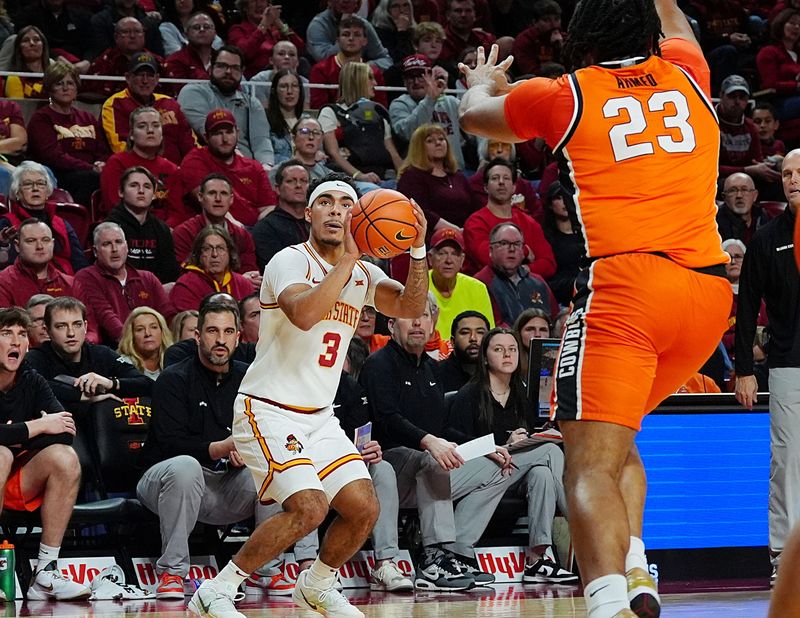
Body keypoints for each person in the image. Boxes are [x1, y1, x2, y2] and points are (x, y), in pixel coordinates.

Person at [457, 1, 732, 615]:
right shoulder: (689, 70)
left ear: (579, 40)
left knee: (584, 461)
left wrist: (483, 82)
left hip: (629, 289)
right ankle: (635, 571)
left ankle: (605, 605)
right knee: (616, 442)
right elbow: (681, 23)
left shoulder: (565, 93)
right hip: (708, 293)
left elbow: (476, 118)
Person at [188, 172, 429, 618]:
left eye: (346, 203)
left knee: (363, 507)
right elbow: (303, 315)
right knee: (310, 508)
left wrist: (416, 249)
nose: (337, 210)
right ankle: (216, 591)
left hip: (318, 417)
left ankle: (316, 585)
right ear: (309, 212)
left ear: (356, 214)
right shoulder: (289, 261)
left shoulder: (363, 273)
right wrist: (349, 261)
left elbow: (413, 307)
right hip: (268, 409)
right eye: (328, 202)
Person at [360, 294, 510, 590]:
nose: (418, 322)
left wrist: (485, 447)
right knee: (432, 459)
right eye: (409, 316)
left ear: (433, 325)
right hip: (382, 464)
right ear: (391, 325)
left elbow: (443, 428)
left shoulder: (430, 370)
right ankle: (432, 558)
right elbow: (387, 418)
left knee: (500, 468)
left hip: (424, 470)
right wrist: (428, 441)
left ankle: (456, 553)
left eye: (425, 316)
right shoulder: (378, 364)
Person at [136, 299, 273, 599]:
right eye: (212, 331)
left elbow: (261, 432)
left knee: (272, 469)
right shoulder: (173, 378)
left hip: (221, 485)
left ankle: (265, 569)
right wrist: (222, 447)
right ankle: (172, 573)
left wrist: (245, 453)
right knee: (186, 466)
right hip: (162, 482)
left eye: (227, 332)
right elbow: (170, 443)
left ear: (239, 336)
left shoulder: (250, 380)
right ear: (197, 336)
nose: (220, 340)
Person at [449, 327, 577, 583]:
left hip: (516, 471)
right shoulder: (469, 395)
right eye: (498, 349)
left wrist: (529, 439)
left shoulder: (522, 394)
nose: (507, 355)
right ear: (485, 358)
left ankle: (537, 558)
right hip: (483, 470)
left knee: (541, 474)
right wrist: (502, 444)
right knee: (550, 450)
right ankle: (583, 527)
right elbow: (458, 444)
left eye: (513, 349)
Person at [735, 148, 800, 588]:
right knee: (787, 463)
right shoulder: (766, 238)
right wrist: (743, 368)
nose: (793, 179)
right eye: (788, 173)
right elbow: (746, 308)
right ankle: (784, 557)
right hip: (787, 365)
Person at [0, 307, 91, 601]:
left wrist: (16, 435)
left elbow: (65, 431)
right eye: (5, 334)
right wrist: (37, 426)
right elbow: (46, 425)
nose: (15, 342)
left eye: (21, 335)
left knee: (64, 457)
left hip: (14, 480)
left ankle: (45, 572)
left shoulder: (32, 379)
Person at [26, 296, 153, 419]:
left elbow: (147, 384)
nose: (71, 333)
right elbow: (29, 386)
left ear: (86, 327)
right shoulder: (36, 357)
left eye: (77, 324)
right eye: (61, 326)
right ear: (47, 331)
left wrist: (110, 383)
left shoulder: (102, 354)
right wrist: (82, 395)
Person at [166, 109, 278, 228]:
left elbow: (268, 207)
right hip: (214, 231)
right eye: (218, 133)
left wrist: (260, 230)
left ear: (237, 134)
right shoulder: (195, 160)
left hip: (255, 230)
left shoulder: (254, 166)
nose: (225, 139)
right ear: (206, 137)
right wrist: (239, 229)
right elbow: (211, 204)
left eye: (229, 132)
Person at [74, 222, 175, 346]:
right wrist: (134, 345)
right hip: (115, 350)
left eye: (118, 242)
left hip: (153, 347)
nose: (114, 249)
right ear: (95, 251)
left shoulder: (148, 278)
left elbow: (168, 316)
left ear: (126, 247)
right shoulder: (87, 277)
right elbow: (106, 316)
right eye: (107, 244)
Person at [0, 219, 99, 343]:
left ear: (52, 244)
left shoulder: (71, 284)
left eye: (45, 240)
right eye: (31, 241)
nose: (40, 246)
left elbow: (91, 330)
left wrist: (78, 347)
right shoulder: (3, 282)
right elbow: (5, 333)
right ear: (17, 246)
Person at [26, 60, 109, 207]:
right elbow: (52, 156)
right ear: (50, 89)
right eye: (59, 83)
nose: (65, 88)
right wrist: (90, 168)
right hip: (59, 174)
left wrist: (102, 164)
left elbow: (102, 149)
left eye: (70, 83)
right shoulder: (42, 118)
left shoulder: (87, 117)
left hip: (91, 172)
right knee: (89, 179)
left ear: (76, 88)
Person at [177, 45, 275, 168]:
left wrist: (266, 166)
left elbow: (261, 140)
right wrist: (240, 161)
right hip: (210, 164)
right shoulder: (193, 92)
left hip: (249, 169)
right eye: (222, 66)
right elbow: (207, 130)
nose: (228, 72)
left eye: (235, 68)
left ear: (242, 72)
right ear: (210, 69)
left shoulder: (252, 103)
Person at [463, 158, 556, 277]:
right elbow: (491, 259)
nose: (501, 182)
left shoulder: (529, 222)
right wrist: (525, 250)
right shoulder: (475, 222)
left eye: (506, 178)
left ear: (514, 187)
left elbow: (549, 264)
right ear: (486, 187)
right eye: (495, 178)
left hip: (524, 287)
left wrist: (525, 269)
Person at [101, 52, 197, 166]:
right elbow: (120, 148)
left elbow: (191, 145)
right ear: (128, 78)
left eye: (150, 75)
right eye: (139, 74)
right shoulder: (115, 103)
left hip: (177, 172)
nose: (145, 80)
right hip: (137, 172)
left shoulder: (170, 104)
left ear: (157, 79)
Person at [319, 61, 402, 185]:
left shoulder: (378, 114)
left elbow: (393, 153)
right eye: (370, 78)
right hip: (349, 180)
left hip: (382, 177)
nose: (375, 83)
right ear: (356, 81)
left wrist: (406, 179)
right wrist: (360, 176)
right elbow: (333, 153)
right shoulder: (330, 113)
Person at [0, 161, 88, 275]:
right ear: (17, 192)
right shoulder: (6, 224)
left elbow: (80, 263)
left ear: (47, 192)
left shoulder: (62, 224)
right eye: (27, 184)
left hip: (66, 283)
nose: (35, 188)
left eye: (41, 183)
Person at [397, 123, 482, 232]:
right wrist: (455, 230)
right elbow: (419, 211)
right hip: (431, 238)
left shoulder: (459, 177)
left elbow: (475, 208)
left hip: (464, 235)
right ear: (419, 147)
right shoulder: (411, 177)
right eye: (430, 141)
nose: (438, 143)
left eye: (441, 139)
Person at [99, 106, 180, 219]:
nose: (150, 130)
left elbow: (177, 212)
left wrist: (165, 231)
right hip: (125, 226)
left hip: (164, 231)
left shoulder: (172, 169)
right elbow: (113, 205)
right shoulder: (117, 163)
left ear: (162, 135)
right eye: (142, 126)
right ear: (131, 135)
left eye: (156, 126)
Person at [172, 174, 259, 278]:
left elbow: (251, 273)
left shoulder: (243, 235)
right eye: (212, 193)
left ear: (231, 199)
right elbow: (186, 275)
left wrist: (248, 279)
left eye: (223, 193)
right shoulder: (184, 233)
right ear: (200, 197)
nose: (218, 199)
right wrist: (239, 280)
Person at [474, 223, 559, 327]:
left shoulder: (538, 283)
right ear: (491, 250)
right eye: (504, 243)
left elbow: (555, 321)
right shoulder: (480, 284)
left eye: (517, 244)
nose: (512, 249)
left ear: (523, 251)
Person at [105, 166, 181, 283]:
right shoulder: (109, 228)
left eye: (147, 186)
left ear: (154, 194)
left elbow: (170, 271)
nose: (141, 191)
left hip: (156, 290)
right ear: (121, 192)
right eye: (134, 185)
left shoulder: (161, 229)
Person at [389, 54, 465, 169]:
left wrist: (483, 157)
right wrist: (429, 100)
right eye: (410, 77)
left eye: (421, 76)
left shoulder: (451, 103)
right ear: (404, 82)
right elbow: (408, 133)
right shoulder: (399, 105)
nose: (416, 82)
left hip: (454, 170)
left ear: (431, 76)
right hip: (420, 172)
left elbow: (477, 130)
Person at [427, 227, 493, 339]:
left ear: (462, 260)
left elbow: (487, 335)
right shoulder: (417, 286)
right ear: (430, 258)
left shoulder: (477, 288)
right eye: (442, 253)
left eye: (455, 254)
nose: (449, 260)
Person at [170, 225, 256, 312]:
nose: (214, 254)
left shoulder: (243, 285)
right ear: (198, 254)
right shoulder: (186, 286)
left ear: (230, 253)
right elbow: (190, 324)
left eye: (220, 248)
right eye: (207, 249)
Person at [309, 16, 387, 110]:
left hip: (367, 118)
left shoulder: (374, 73)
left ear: (365, 41)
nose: (351, 38)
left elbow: (380, 109)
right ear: (337, 40)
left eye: (357, 35)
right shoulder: (321, 70)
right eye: (346, 34)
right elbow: (319, 109)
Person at [716, 74, 780, 185]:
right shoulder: (710, 122)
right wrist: (746, 170)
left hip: (745, 179)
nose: (737, 101)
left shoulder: (750, 127)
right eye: (732, 96)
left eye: (742, 97)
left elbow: (756, 161)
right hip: (715, 180)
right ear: (721, 95)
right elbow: (708, 167)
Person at [252, 159, 311, 269]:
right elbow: (275, 269)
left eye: (303, 181)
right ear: (278, 189)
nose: (298, 185)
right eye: (291, 181)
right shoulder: (266, 228)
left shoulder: (317, 223)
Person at [86, 17, 164, 100]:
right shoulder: (104, 61)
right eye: (126, 32)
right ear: (116, 37)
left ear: (144, 35)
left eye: (137, 31)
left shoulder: (157, 62)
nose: (132, 36)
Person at [306, 0, 392, 70]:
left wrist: (365, 67)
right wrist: (342, 30)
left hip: (359, 79)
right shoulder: (318, 25)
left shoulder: (364, 25)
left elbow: (386, 60)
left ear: (357, 3)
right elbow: (323, 59)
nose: (345, 1)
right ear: (329, 2)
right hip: (327, 79)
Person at [227, 0, 303, 78]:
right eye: (253, 1)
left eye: (262, 0)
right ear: (244, 7)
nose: (259, 4)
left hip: (284, 76)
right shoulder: (237, 30)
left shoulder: (275, 30)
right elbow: (243, 54)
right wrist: (264, 24)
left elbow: (299, 49)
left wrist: (279, 23)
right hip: (256, 80)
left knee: (303, 62)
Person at [14, 0, 92, 70]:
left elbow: (92, 43)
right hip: (44, 64)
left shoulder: (80, 15)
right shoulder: (26, 15)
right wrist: (56, 57)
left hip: (79, 64)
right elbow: (24, 43)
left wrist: (87, 60)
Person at [756, 9, 800, 123]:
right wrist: (796, 85)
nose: (796, 27)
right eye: (792, 23)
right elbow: (770, 85)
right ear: (781, 25)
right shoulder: (769, 52)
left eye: (799, 25)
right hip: (780, 102)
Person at [541, 181, 581, 306]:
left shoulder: (585, 235)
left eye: (567, 196)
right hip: (558, 295)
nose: (564, 202)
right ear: (550, 205)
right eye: (558, 198)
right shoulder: (545, 237)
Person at [88, 0, 163, 60]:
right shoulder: (100, 20)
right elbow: (100, 53)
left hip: (145, 68)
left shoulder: (149, 22)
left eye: (137, 31)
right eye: (126, 31)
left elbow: (159, 55)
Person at [436, 309, 489, 392]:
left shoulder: (498, 373)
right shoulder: (435, 374)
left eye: (480, 332)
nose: (473, 338)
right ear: (452, 342)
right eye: (465, 332)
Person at [117, 306, 173, 379]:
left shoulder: (174, 363)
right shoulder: (123, 365)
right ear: (131, 336)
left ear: (162, 332)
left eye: (153, 327)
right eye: (140, 329)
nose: (148, 333)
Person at [162, 11, 218, 83]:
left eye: (206, 27)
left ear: (215, 33)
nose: (202, 30)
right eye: (196, 27)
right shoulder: (175, 61)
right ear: (187, 34)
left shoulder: (223, 59)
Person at [716, 172, 771, 246]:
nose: (739, 195)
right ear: (724, 197)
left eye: (744, 190)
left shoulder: (764, 218)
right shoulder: (715, 224)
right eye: (733, 190)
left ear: (755, 196)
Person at [511, 0, 563, 76]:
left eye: (557, 19)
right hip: (531, 80)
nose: (553, 25)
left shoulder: (564, 38)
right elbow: (528, 70)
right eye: (546, 20)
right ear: (535, 22)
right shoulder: (524, 39)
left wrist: (561, 47)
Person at [266, 69, 305, 164]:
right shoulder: (265, 121)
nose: (289, 91)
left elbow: (320, 155)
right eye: (283, 86)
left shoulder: (307, 121)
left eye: (294, 86)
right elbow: (266, 156)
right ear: (274, 91)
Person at [4, 25, 50, 99]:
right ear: (19, 49)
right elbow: (19, 108)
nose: (32, 43)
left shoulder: (54, 75)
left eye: (36, 39)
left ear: (43, 46)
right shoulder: (14, 78)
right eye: (26, 40)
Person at [371, 0, 416, 64]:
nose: (402, 10)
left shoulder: (413, 30)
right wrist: (402, 31)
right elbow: (400, 61)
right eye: (395, 6)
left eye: (405, 5)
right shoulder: (379, 33)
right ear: (386, 10)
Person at [513, 307, 553, 380]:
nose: (537, 334)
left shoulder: (558, 364)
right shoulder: (511, 361)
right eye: (530, 329)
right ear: (519, 333)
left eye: (543, 330)